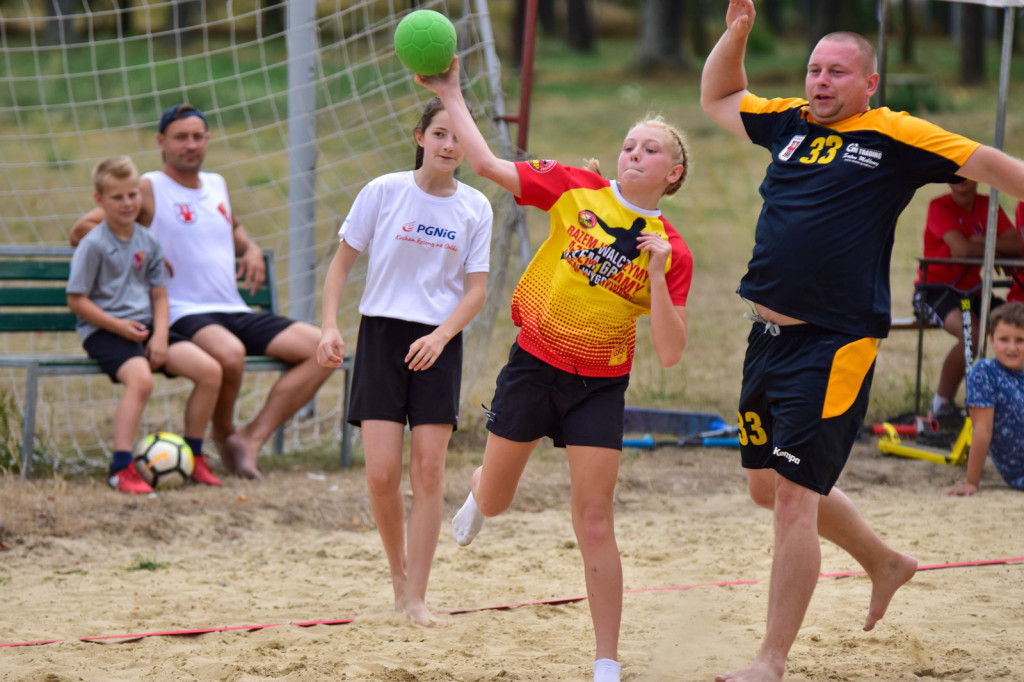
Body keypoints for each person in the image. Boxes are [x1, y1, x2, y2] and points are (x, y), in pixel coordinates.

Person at [700, 2, 1024, 680]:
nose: (820, 82)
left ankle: (770, 661)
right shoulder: (787, 121)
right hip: (767, 338)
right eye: (815, 69)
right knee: (768, 485)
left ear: (868, 83)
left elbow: (990, 161)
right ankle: (884, 561)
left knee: (792, 495)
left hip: (836, 343)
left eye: (837, 72)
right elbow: (721, 95)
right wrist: (737, 36)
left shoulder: (893, 134)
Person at [418, 58, 692, 682]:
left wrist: (654, 271)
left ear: (671, 174)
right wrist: (452, 92)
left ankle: (606, 661)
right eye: (629, 144)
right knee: (498, 497)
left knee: (594, 518)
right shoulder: (576, 188)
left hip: (599, 385)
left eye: (651, 150)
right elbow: (487, 166)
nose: (634, 154)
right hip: (534, 365)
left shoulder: (671, 249)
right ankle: (483, 488)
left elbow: (672, 352)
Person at [70, 104, 334, 479]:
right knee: (230, 354)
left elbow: (232, 227)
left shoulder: (216, 183)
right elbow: (81, 231)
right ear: (162, 142)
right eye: (181, 137)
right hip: (182, 311)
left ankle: (251, 438)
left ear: (207, 140)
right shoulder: (148, 187)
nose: (190, 145)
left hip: (233, 307)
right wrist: (143, 253)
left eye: (197, 136)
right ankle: (223, 434)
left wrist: (252, 249)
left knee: (324, 350)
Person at [317, 96, 492, 626]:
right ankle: (398, 576)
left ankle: (417, 596)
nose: (449, 144)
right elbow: (340, 266)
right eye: (440, 133)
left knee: (430, 470)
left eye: (458, 136)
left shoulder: (474, 206)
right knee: (381, 473)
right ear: (420, 137)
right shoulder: (383, 192)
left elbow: (477, 290)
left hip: (438, 341)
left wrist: (441, 336)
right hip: (381, 336)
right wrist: (329, 326)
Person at [67, 156, 223, 493]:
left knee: (210, 371)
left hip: (146, 329)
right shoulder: (93, 244)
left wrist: (162, 336)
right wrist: (118, 326)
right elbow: (76, 300)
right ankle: (121, 468)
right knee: (141, 381)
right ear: (99, 201)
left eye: (132, 195)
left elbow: (159, 297)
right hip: (104, 331)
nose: (127, 204)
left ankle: (193, 457)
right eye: (117, 197)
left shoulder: (148, 241)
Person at [913, 180, 1020, 425]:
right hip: (937, 292)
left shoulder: (987, 205)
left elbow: (1018, 245)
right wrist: (995, 249)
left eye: (966, 175)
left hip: (973, 293)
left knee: (1016, 326)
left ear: (978, 177)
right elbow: (961, 250)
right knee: (971, 333)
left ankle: (1011, 402)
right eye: (954, 175)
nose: (960, 181)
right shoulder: (938, 206)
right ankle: (940, 406)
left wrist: (980, 243)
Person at [946, 302, 1024, 496]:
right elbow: (982, 430)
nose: (1012, 347)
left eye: (1020, 340)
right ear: (991, 339)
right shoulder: (985, 374)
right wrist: (972, 482)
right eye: (1004, 339)